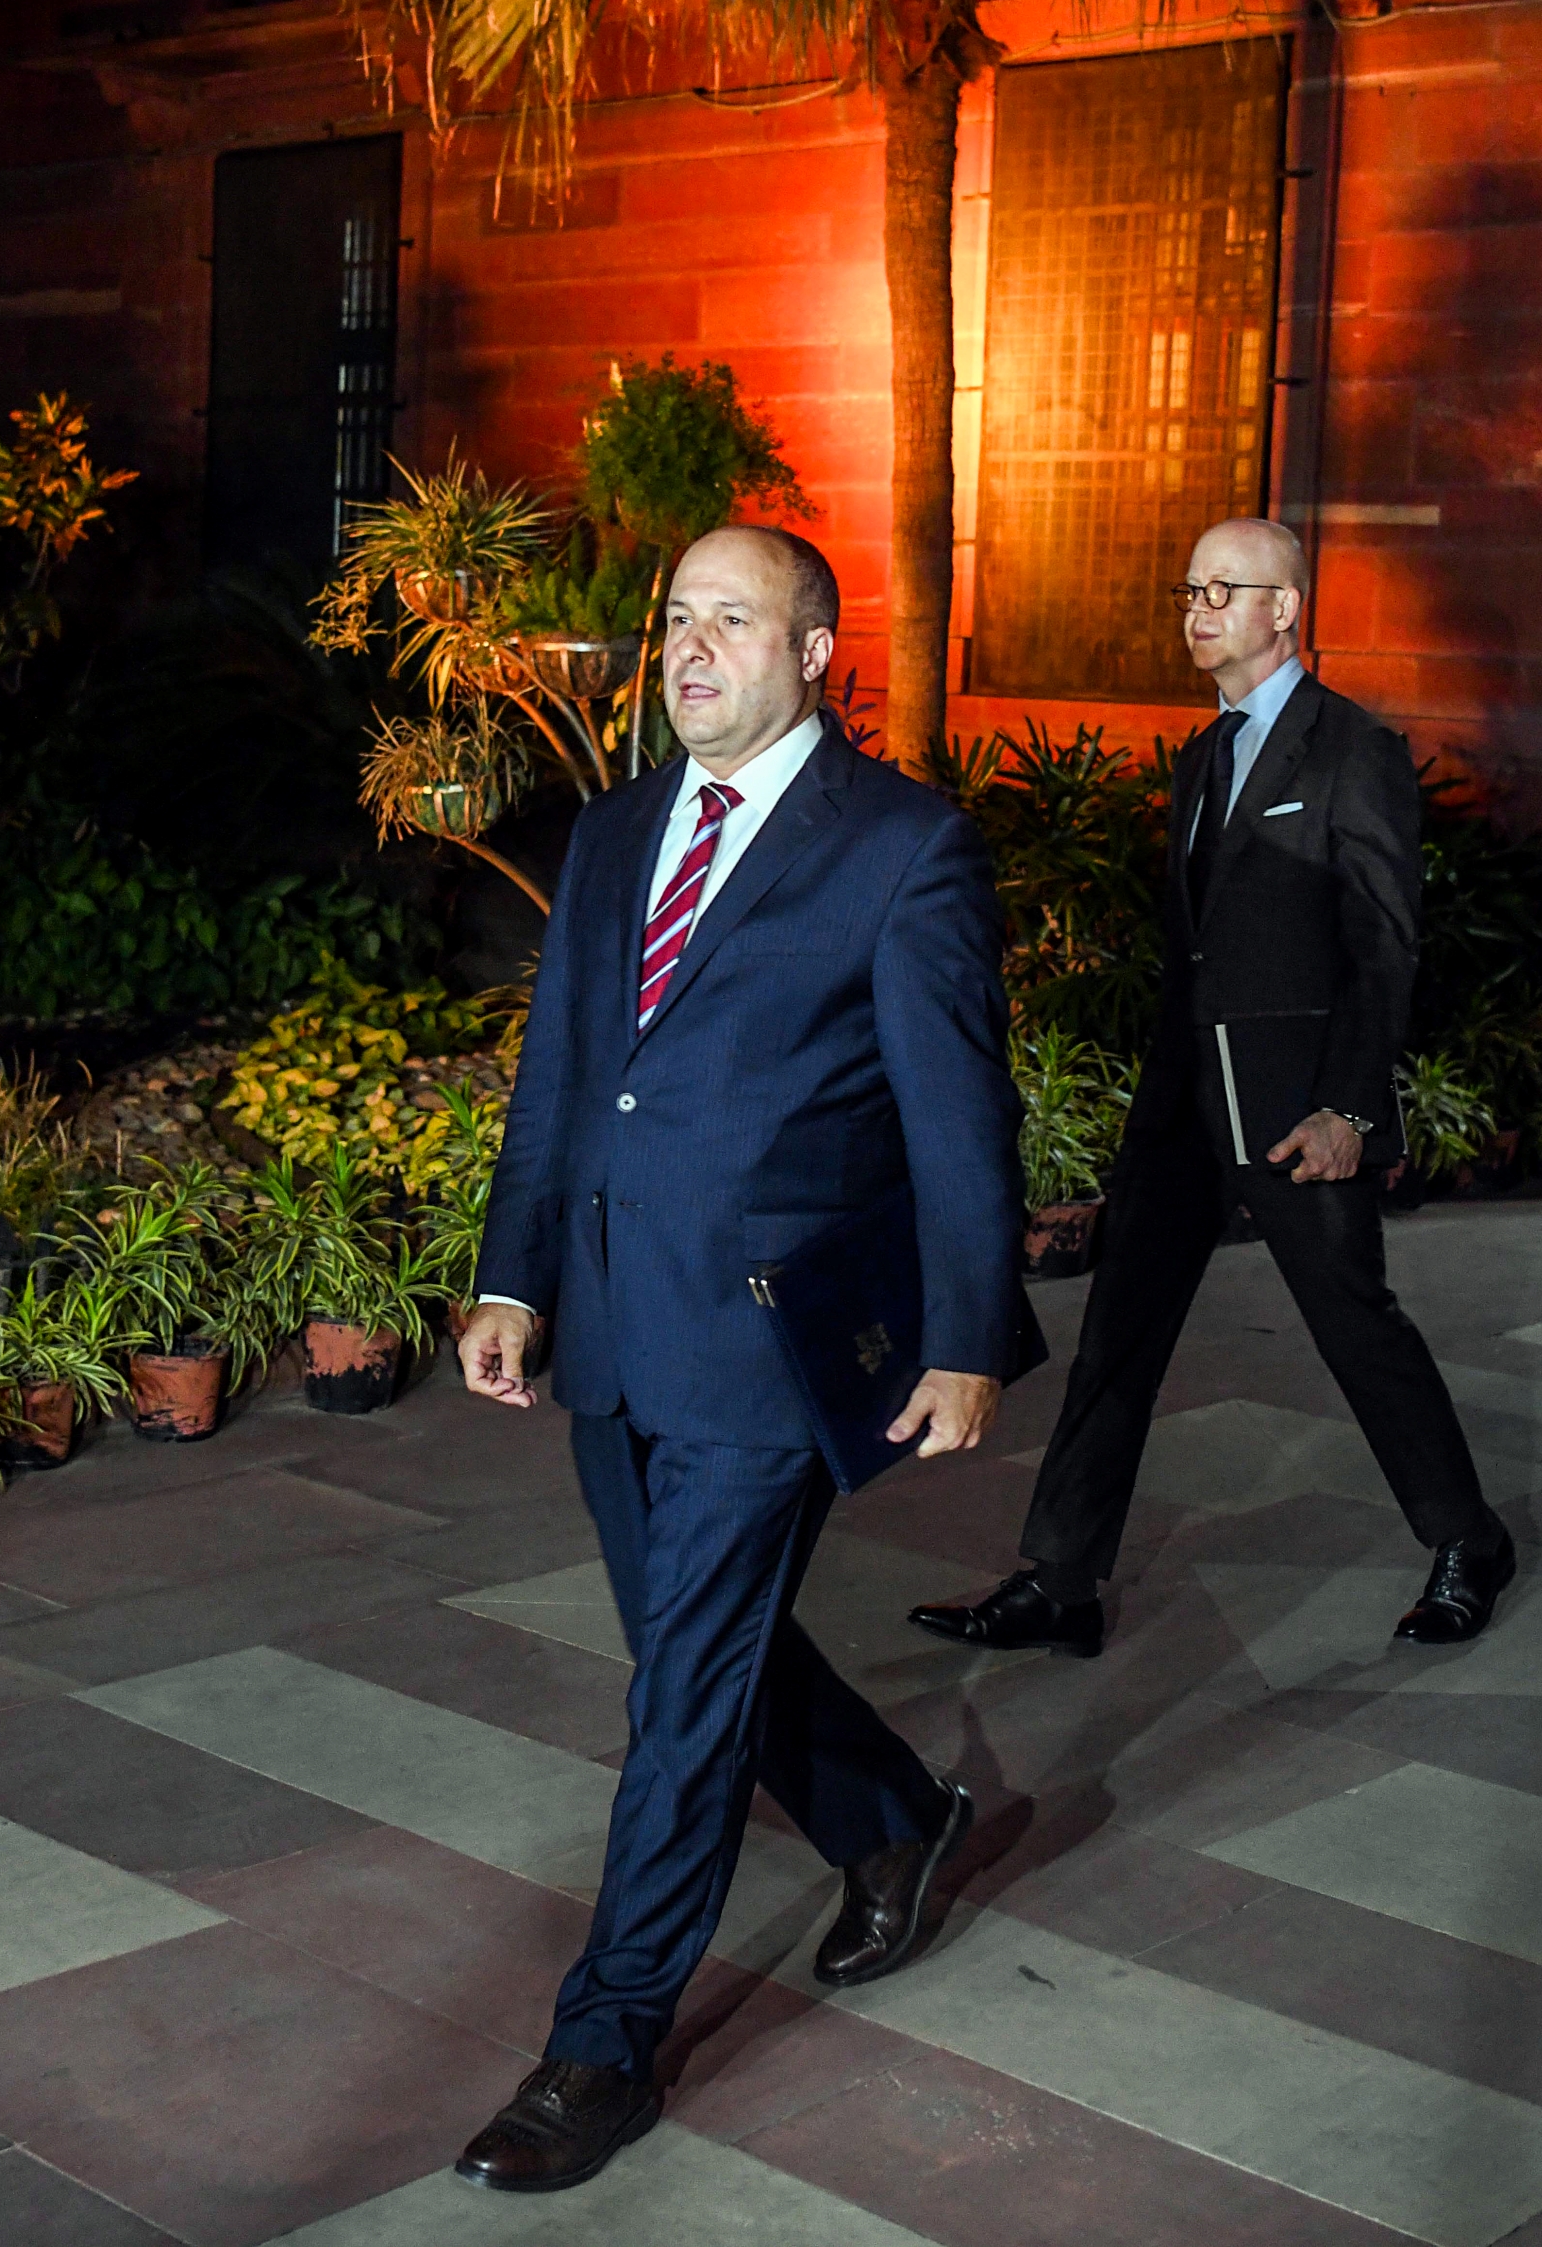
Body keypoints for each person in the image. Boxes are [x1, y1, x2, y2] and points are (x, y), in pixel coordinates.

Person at [453, 525, 1027, 2195]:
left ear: (815, 650)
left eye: (732, 620)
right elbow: (568, 1079)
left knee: (684, 1696)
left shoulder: (903, 849)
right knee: (712, 1649)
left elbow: (956, 1112)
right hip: (619, 1334)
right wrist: (514, 1276)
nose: (691, 648)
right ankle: (896, 1822)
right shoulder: (621, 827)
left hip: (769, 1348)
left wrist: (968, 1333)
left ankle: (600, 2042)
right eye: (677, 619)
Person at [910, 516, 1515, 1663]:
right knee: (1117, 1334)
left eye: (1221, 590)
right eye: (1187, 588)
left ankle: (1464, 1539)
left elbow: (1384, 948)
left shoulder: (1352, 754)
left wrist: (1347, 1109)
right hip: (1180, 1101)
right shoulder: (1201, 757)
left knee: (1355, 1330)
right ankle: (1062, 1578)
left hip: (1292, 1111)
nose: (1195, 609)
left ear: (1283, 610)